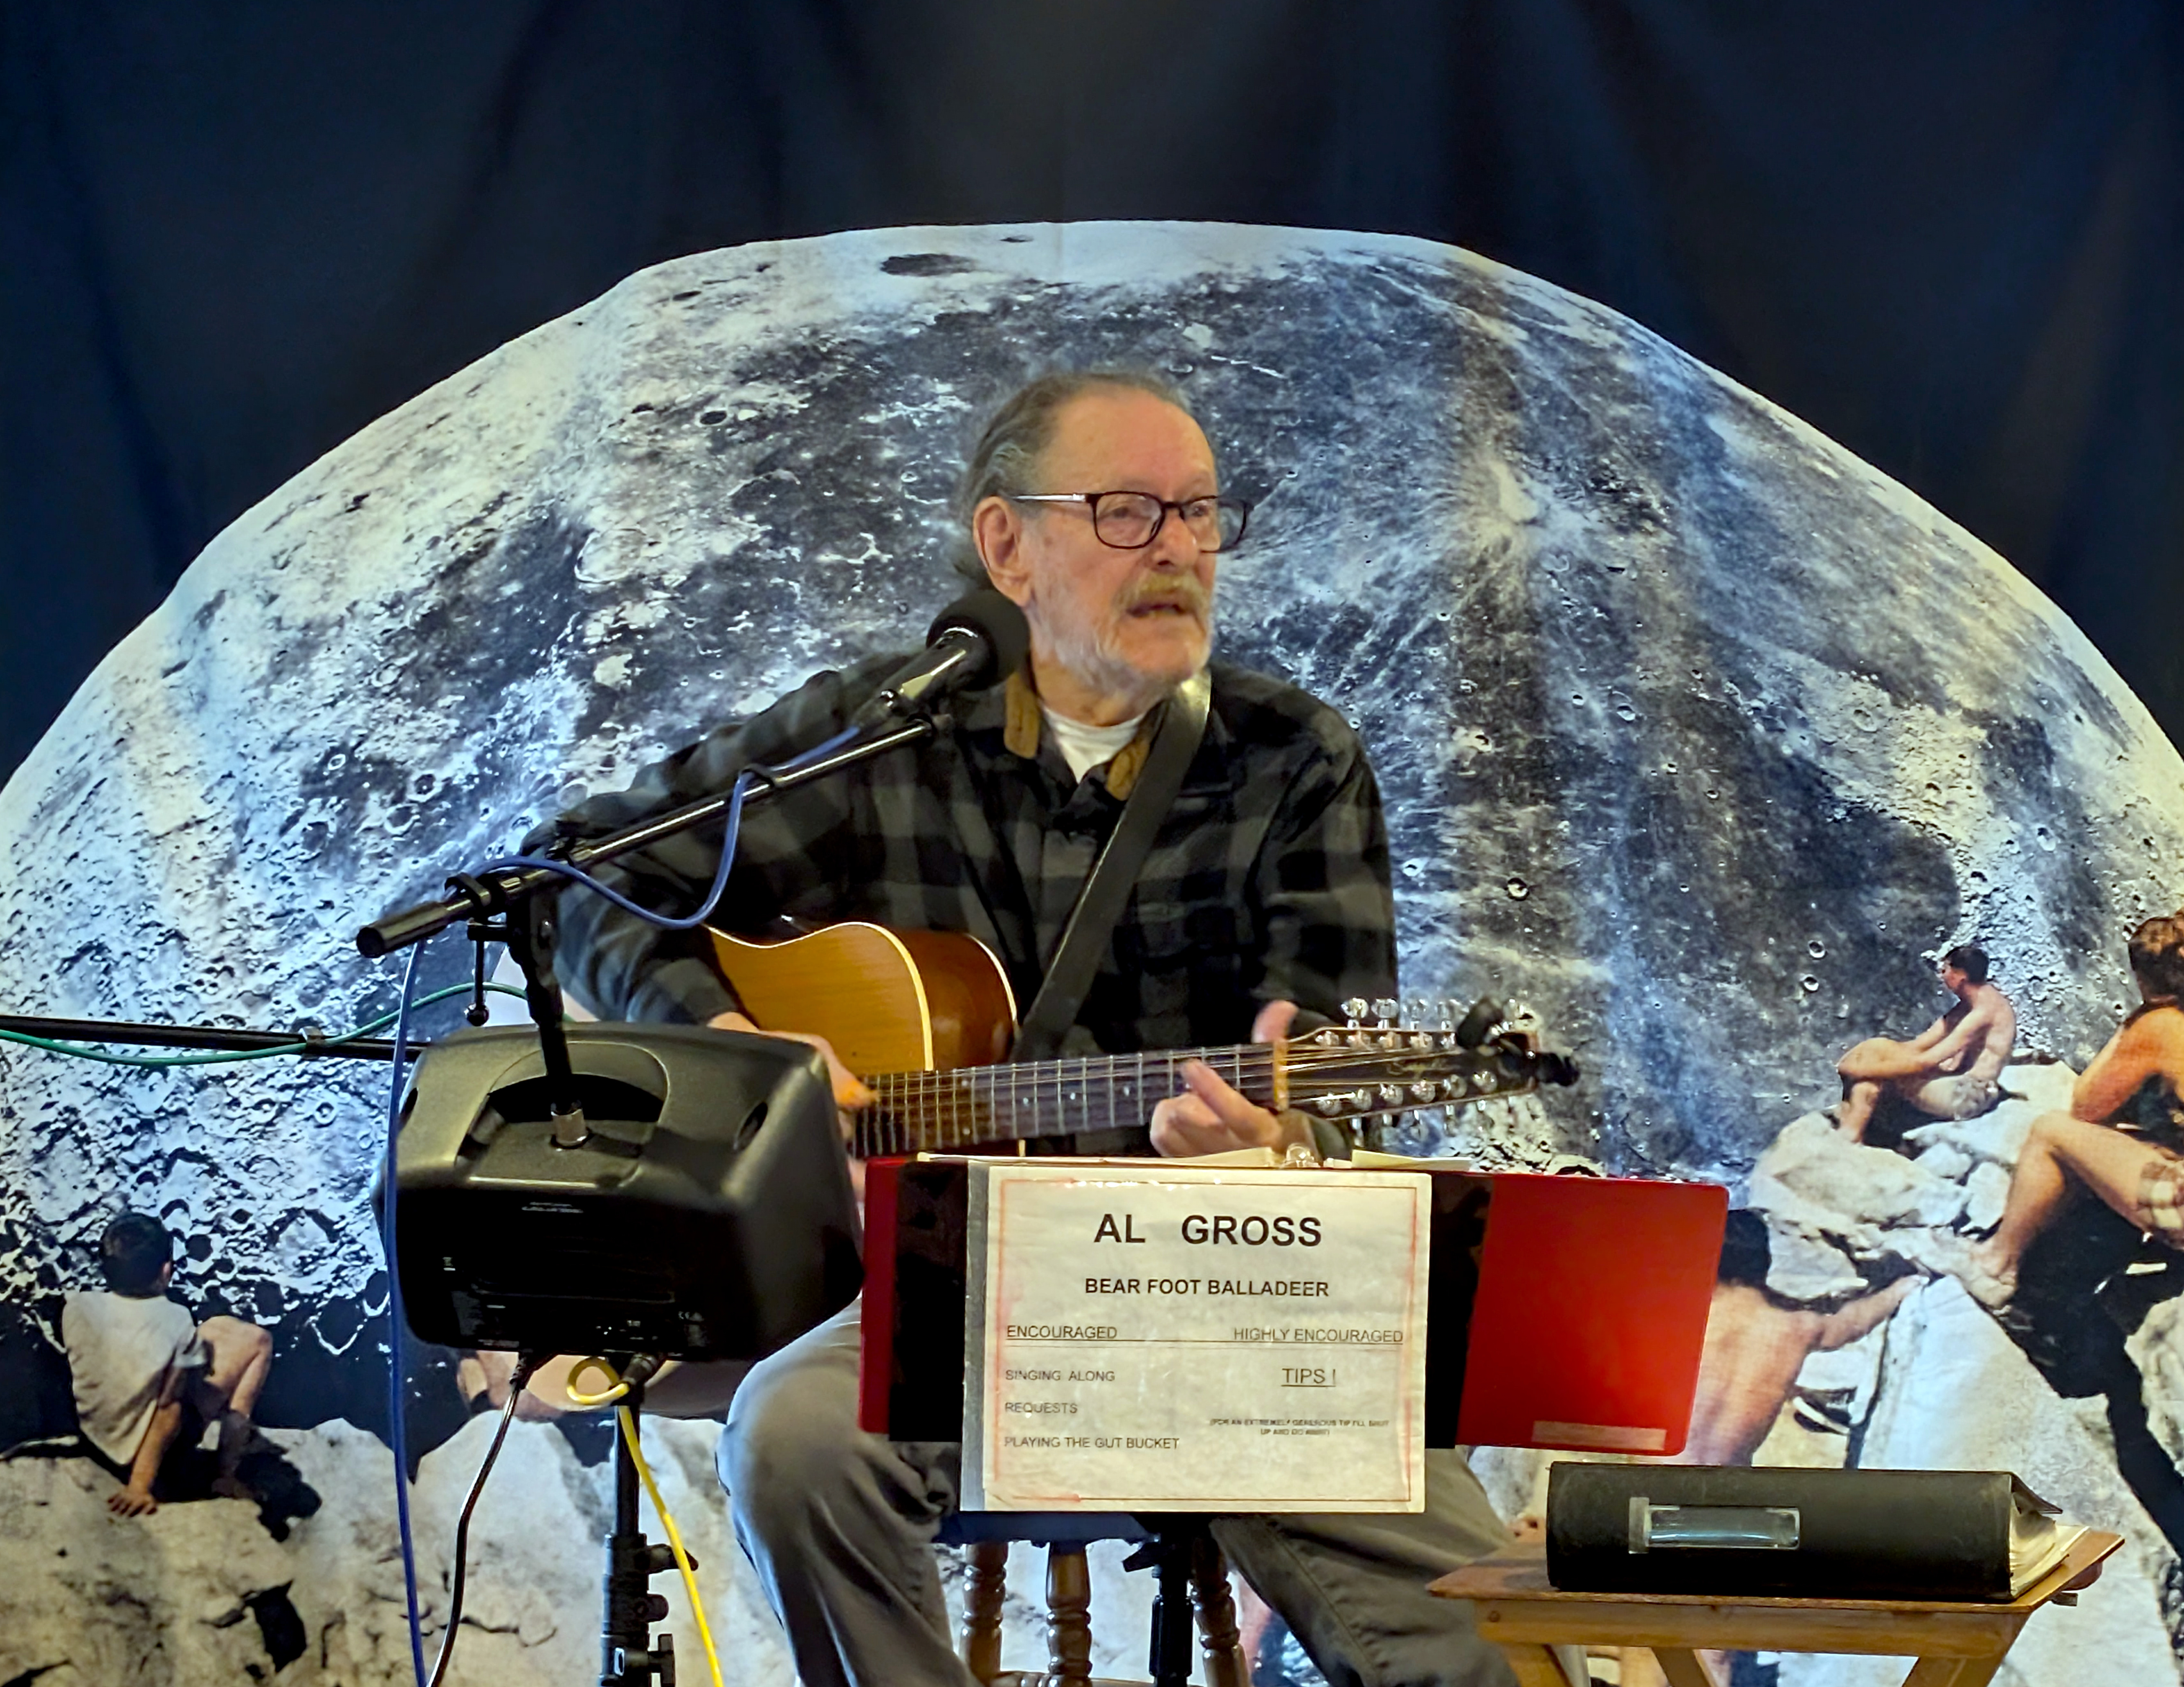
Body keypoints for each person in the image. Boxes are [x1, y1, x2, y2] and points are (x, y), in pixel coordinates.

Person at [544, 368, 1518, 1687]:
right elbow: (585, 881)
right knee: (790, 1439)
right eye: (1128, 512)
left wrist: (1277, 1128)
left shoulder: (1295, 758)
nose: (1179, 547)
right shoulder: (873, 736)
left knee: (1473, 1616)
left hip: (1216, 1290)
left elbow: (1323, 1058)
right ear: (1006, 543)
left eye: (1201, 513)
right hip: (955, 1297)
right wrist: (748, 1052)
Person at [1956, 914, 2184, 1307]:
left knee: (2053, 1132)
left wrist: (2134, 1023)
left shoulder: (2162, 1024)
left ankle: (1997, 1265)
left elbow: (2085, 1107)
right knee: (2129, 1141)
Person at [60, 1211, 273, 1516]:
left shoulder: (76, 1307)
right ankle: (225, 1474)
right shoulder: (177, 1321)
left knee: (215, 1328)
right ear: (166, 1271)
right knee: (257, 1340)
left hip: (97, 1442)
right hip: (146, 1456)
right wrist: (140, 1486)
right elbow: (167, 1411)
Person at [1833, 944, 2016, 1143]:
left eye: (1945, 970)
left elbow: (1925, 1062)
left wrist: (1857, 1070)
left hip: (1967, 1097)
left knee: (1883, 1074)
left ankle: (1852, 1130)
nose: (1942, 977)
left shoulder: (1982, 1013)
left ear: (1961, 976)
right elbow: (1917, 1047)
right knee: (1877, 1047)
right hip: (1956, 1080)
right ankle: (1853, 1126)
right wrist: (1869, 1054)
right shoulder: (1968, 1006)